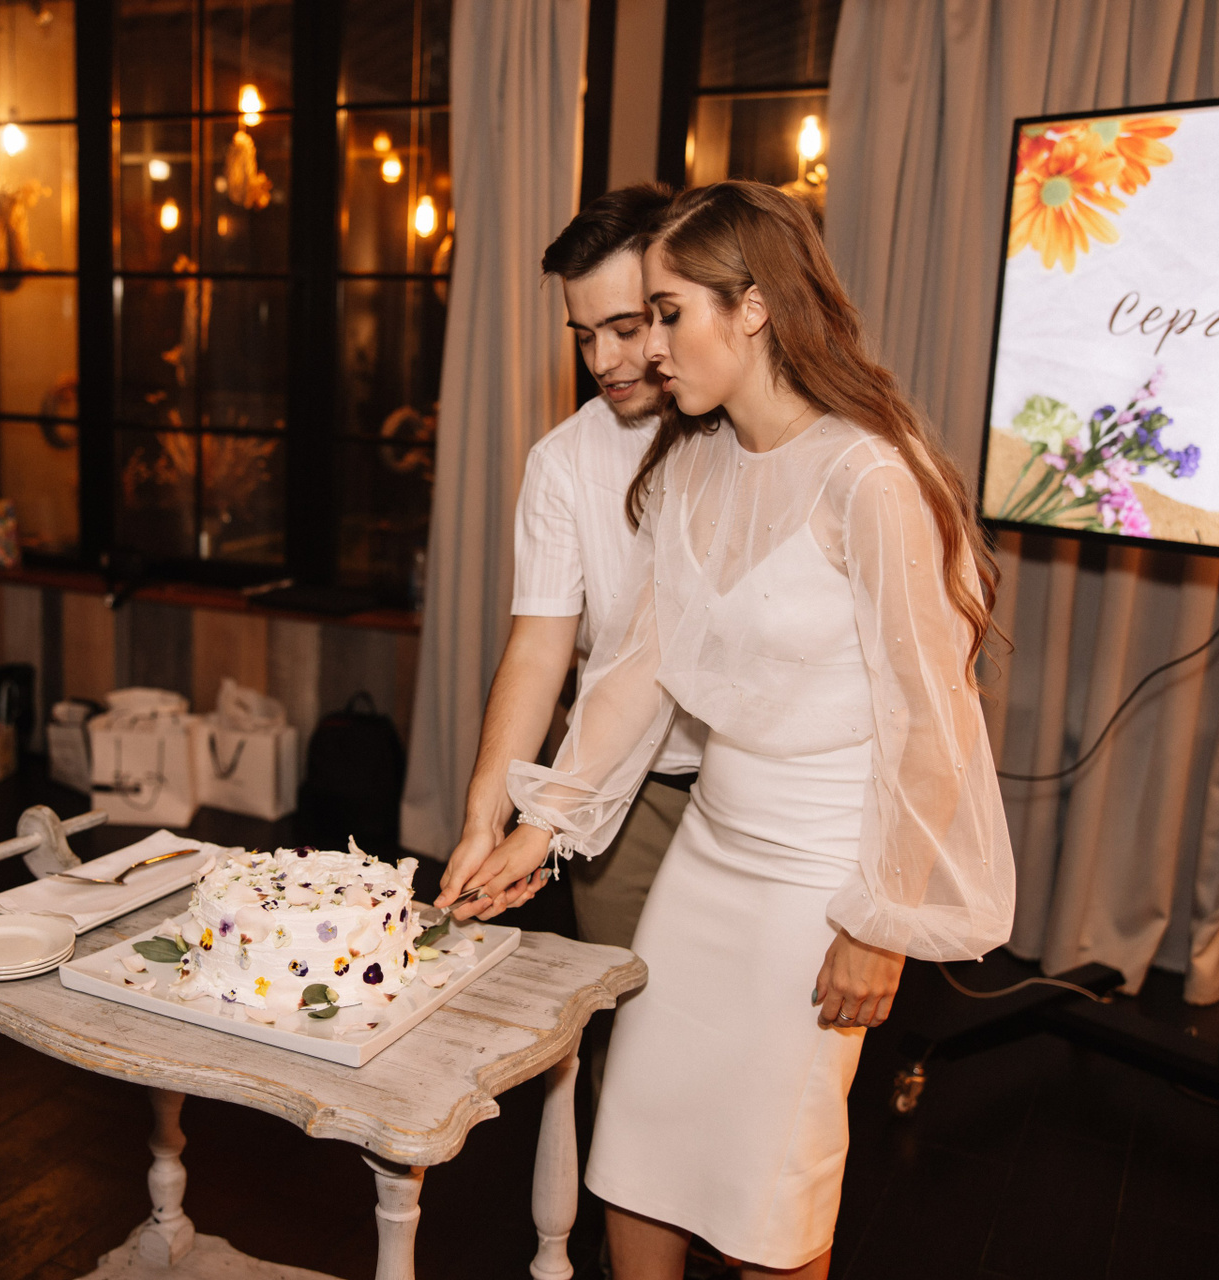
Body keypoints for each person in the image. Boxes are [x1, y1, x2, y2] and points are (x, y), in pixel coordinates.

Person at [451, 181, 1017, 1278]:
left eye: (666, 314)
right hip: (707, 856)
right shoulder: (696, 462)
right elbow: (637, 671)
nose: (647, 349)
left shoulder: (871, 475)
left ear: (753, 307)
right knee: (634, 1154)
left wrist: (879, 922)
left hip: (818, 878)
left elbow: (930, 720)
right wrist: (538, 828)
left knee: (770, 1197)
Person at [436, 183, 707, 958]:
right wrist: (487, 817)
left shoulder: (746, 442)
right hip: (622, 796)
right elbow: (539, 648)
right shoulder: (563, 461)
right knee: (623, 1007)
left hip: (760, 798)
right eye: (584, 336)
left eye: (626, 328)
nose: (604, 362)